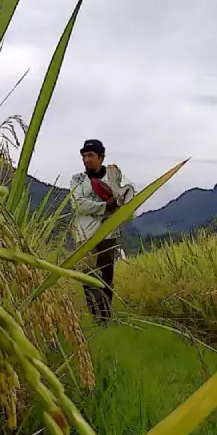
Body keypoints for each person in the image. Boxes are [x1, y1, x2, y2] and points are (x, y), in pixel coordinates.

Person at [69, 138, 135, 325]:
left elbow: (127, 196)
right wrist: (106, 206)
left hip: (108, 233)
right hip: (85, 235)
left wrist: (117, 202)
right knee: (88, 277)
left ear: (101, 156)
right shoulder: (78, 179)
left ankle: (105, 317)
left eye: (91, 155)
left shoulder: (114, 176)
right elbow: (78, 204)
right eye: (84, 155)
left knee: (107, 276)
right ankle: (95, 317)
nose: (86, 159)